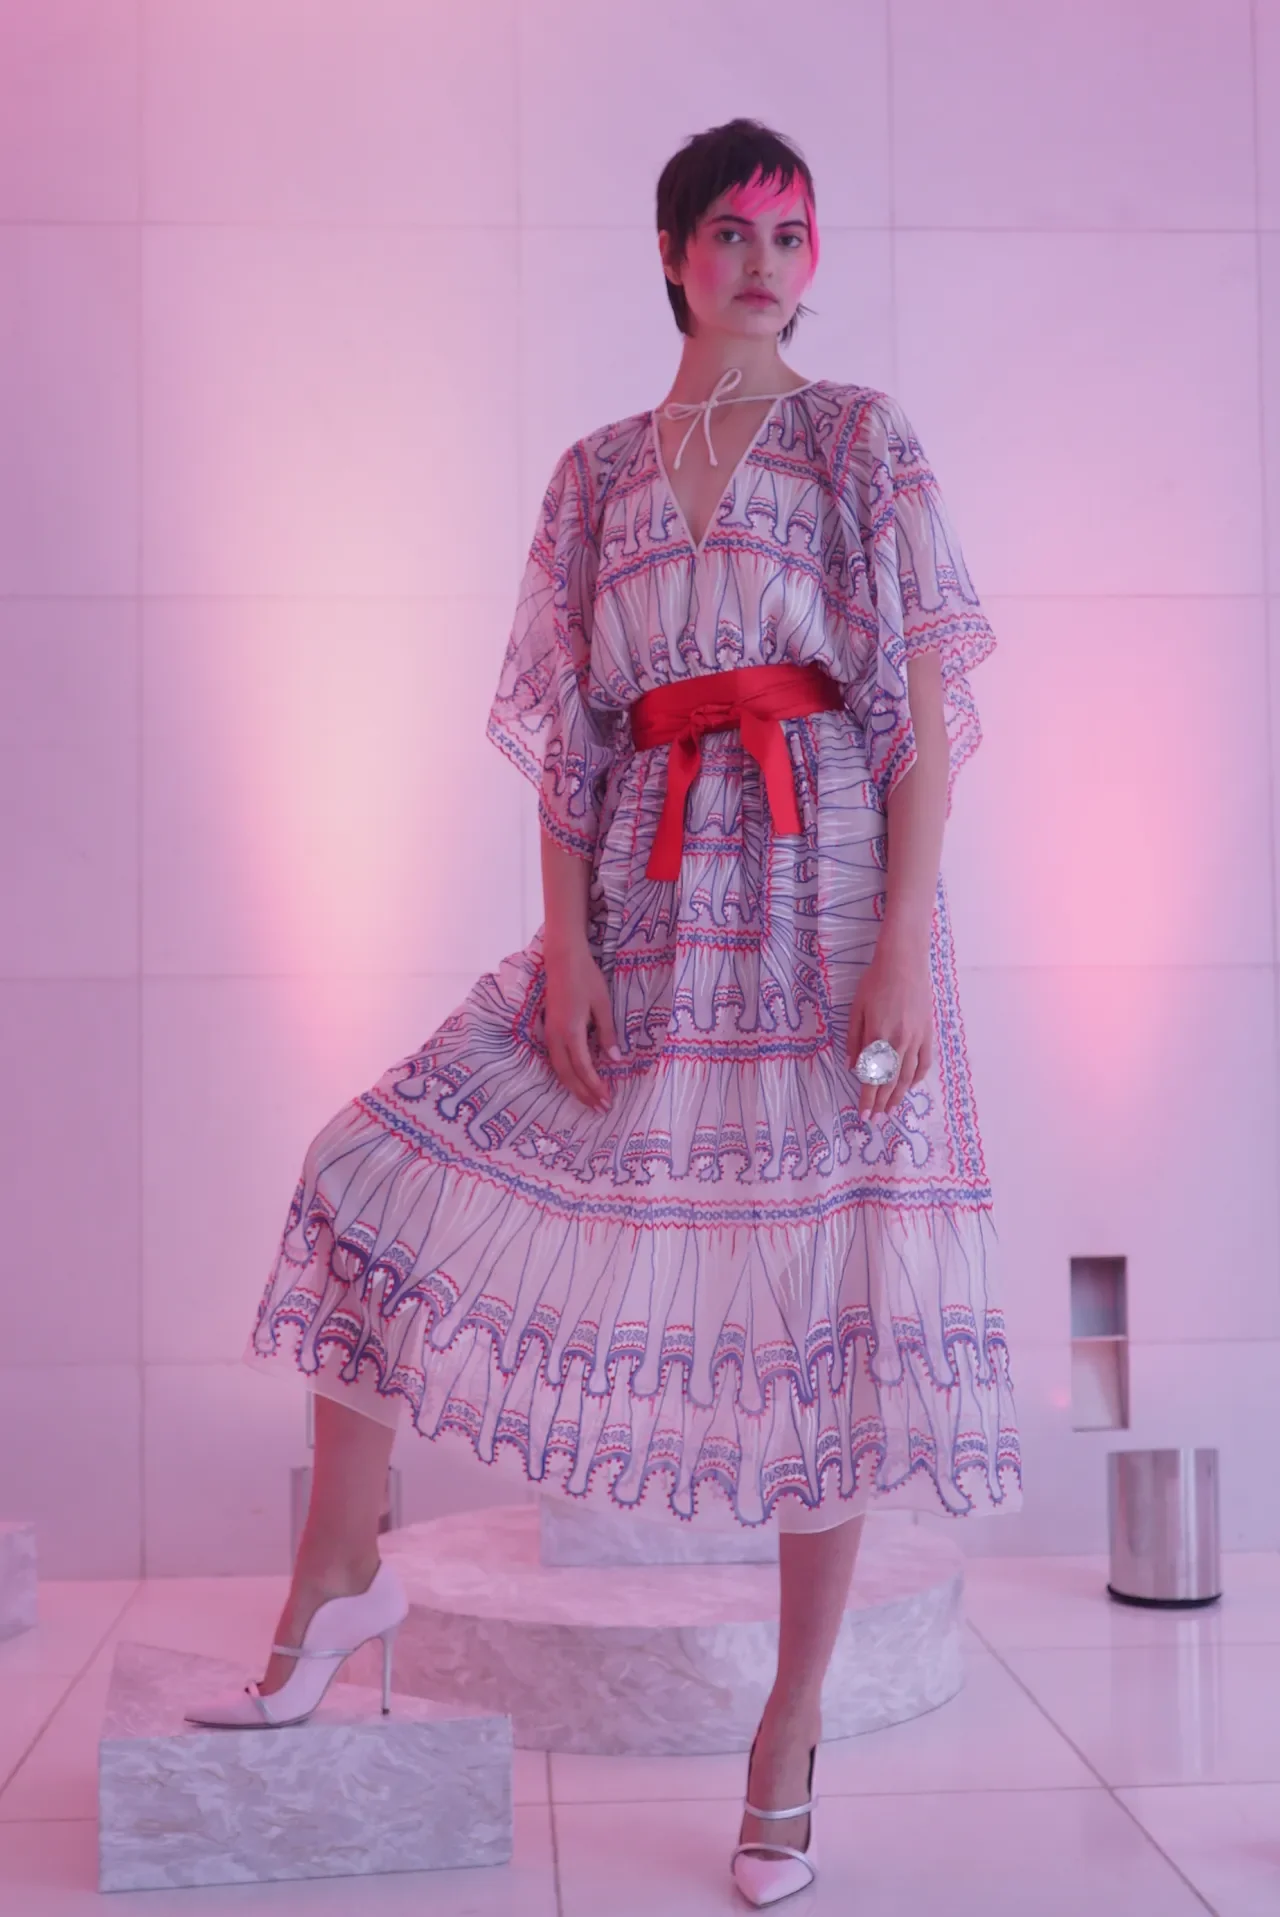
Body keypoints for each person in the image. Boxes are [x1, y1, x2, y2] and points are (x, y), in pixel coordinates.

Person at [186, 116, 1022, 1910]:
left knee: (822, 1320)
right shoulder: (593, 478)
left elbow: (920, 724)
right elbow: (568, 741)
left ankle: (787, 1730)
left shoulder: (862, 440)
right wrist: (564, 950)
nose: (763, 263)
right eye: (730, 232)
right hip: (646, 894)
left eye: (791, 234)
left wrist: (899, 939)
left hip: (823, 902)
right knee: (363, 1167)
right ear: (670, 252)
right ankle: (342, 1565)